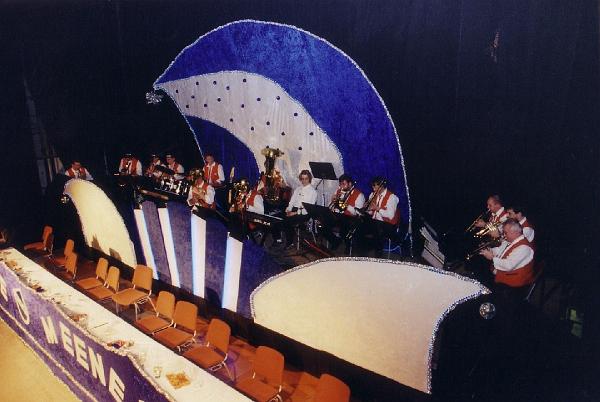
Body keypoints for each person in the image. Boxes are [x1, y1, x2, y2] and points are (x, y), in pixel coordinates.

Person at [480, 218, 535, 289]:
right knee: (479, 270)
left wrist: (492, 258)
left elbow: (508, 266)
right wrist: (489, 250)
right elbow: (499, 250)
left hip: (512, 285)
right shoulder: (511, 241)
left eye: (505, 233)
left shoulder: (524, 248)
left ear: (514, 232)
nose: (504, 235)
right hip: (502, 275)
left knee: (481, 281)